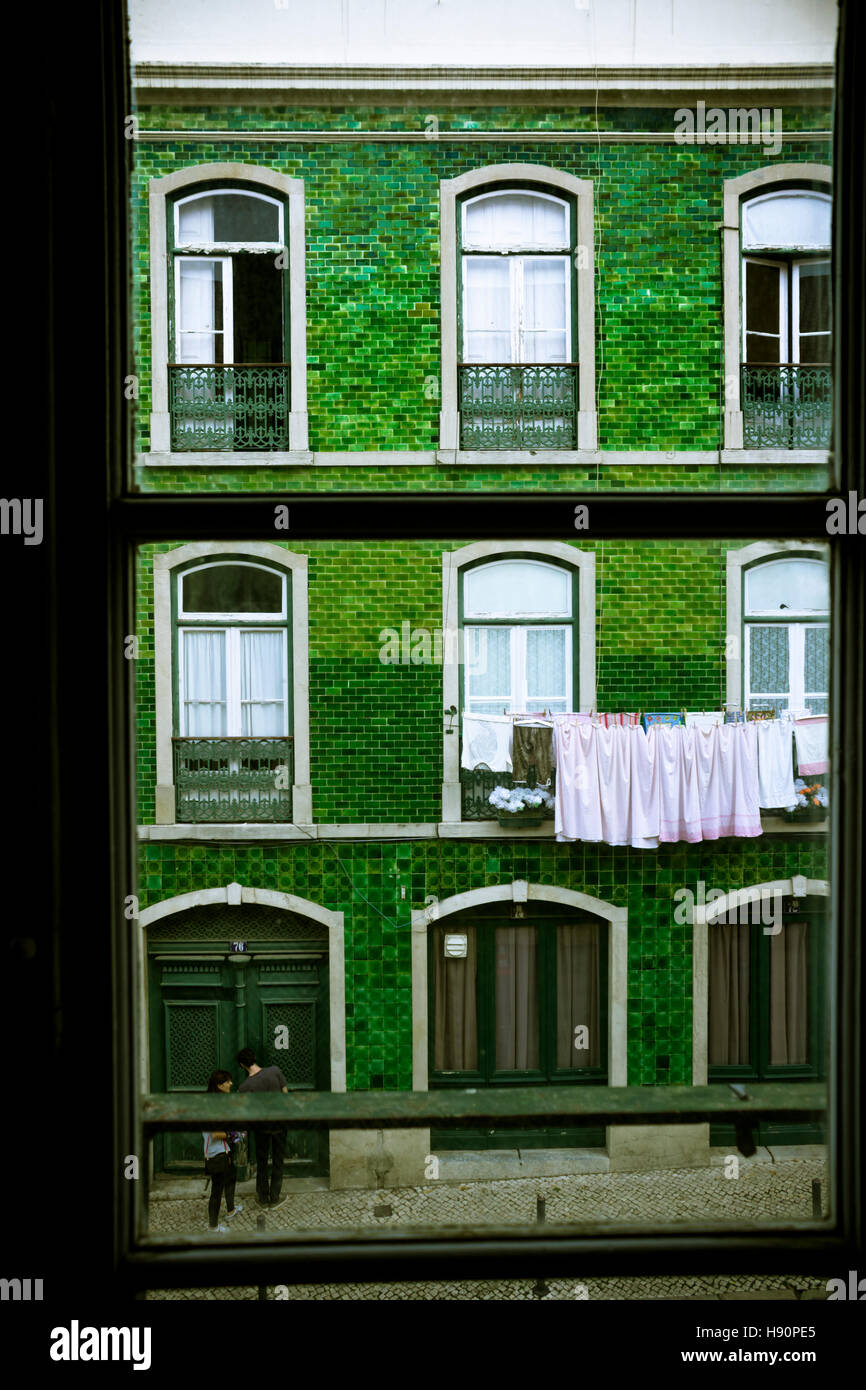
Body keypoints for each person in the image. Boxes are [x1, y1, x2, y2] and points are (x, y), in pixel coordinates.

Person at [236, 1047, 289, 1209]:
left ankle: (263, 1197)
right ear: (254, 1058)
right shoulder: (275, 1071)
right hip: (280, 1124)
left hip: (261, 1128)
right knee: (278, 1161)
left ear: (242, 1065)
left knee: (262, 1162)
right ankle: (275, 1197)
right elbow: (286, 1096)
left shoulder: (244, 1087)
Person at [203, 1069, 244, 1234]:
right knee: (216, 1190)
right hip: (217, 1152)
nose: (231, 1084)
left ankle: (231, 1210)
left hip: (224, 1149)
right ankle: (213, 1227)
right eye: (228, 1081)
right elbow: (215, 1133)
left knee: (231, 1176)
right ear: (220, 1085)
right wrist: (233, 1134)